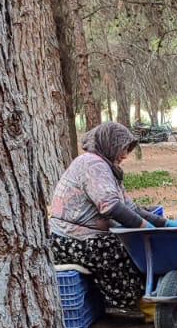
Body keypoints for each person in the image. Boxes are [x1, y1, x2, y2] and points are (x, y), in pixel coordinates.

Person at [49, 122, 165, 310]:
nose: (125, 155)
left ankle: (152, 296)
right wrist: (145, 228)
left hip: (87, 236)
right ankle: (142, 303)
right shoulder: (92, 165)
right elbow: (110, 207)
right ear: (109, 144)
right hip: (69, 239)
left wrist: (164, 224)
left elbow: (131, 208)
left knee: (137, 245)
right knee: (119, 250)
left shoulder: (108, 168)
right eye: (123, 149)